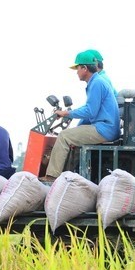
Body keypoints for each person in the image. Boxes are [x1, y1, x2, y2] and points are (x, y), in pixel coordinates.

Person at [38, 51, 119, 182]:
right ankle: (67, 174)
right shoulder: (96, 82)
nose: (76, 72)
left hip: (104, 128)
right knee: (72, 135)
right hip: (105, 127)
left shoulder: (97, 83)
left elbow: (90, 111)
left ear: (85, 68)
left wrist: (66, 113)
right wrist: (73, 118)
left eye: (78, 68)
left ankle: (51, 177)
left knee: (64, 136)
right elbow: (90, 109)